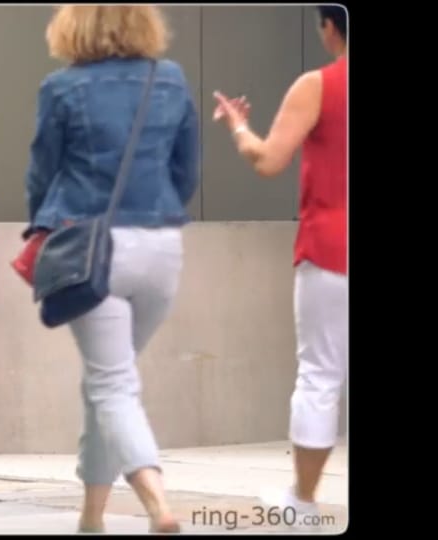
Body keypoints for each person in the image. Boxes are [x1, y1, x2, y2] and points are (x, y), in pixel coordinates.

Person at [25, 5, 199, 533]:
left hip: (92, 249)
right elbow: (186, 171)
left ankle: (157, 504)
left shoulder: (61, 87)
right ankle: (92, 516)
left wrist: (42, 227)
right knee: (106, 381)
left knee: (112, 384)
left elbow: (41, 174)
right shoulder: (169, 79)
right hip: (162, 246)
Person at [211, 5, 347, 525]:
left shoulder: (318, 86)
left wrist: (239, 126)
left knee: (320, 376)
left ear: (330, 28)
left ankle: (303, 503)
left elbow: (269, 159)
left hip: (331, 248)